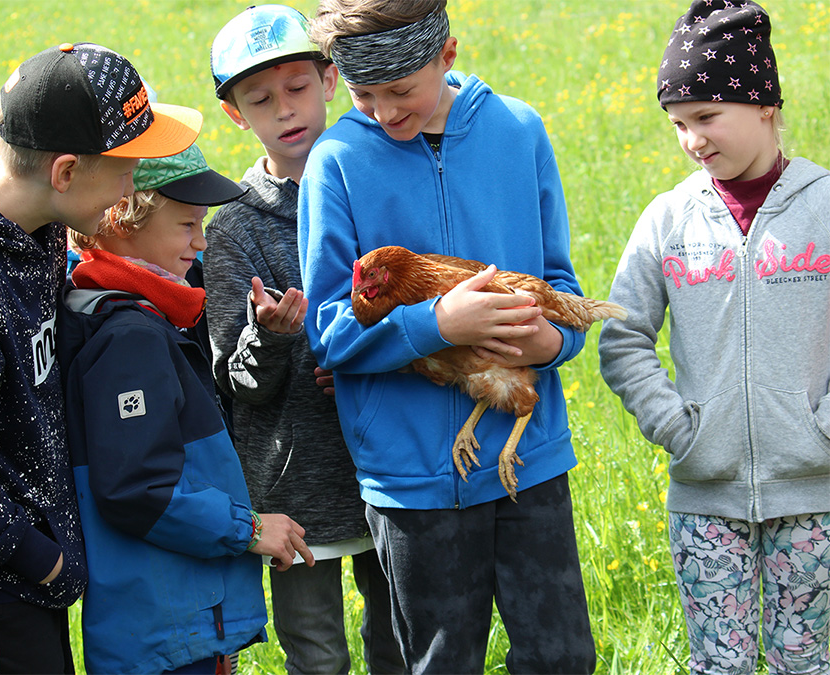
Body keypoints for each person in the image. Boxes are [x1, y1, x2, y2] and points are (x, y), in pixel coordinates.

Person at [298, 1, 597, 672]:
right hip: (412, 480)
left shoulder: (518, 131)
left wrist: (551, 345)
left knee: (563, 656)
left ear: (448, 55)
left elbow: (559, 283)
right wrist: (437, 324)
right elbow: (329, 332)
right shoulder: (337, 161)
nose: (381, 110)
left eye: (400, 90)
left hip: (531, 461)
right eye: (362, 92)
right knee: (438, 660)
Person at [0, 42, 202, 675]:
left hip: (31, 578)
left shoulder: (39, 228)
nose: (135, 182)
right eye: (128, 165)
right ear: (66, 173)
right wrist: (41, 559)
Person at [598, 1, 830, 672]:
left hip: (815, 494)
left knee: (804, 661)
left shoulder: (822, 208)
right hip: (705, 497)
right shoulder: (669, 219)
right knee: (719, 664)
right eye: (678, 123)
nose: (692, 139)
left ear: (764, 105)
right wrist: (679, 426)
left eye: (706, 117)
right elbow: (623, 334)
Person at [58, 144, 315, 675]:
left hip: (177, 620)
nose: (201, 243)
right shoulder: (129, 337)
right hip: (168, 628)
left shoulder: (146, 316)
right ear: (121, 217)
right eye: (186, 225)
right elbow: (136, 489)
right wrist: (247, 529)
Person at [207, 6, 403, 673]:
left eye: (296, 88)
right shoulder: (234, 226)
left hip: (388, 462)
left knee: (400, 640)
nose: (284, 110)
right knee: (316, 654)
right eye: (260, 100)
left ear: (329, 79)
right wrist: (270, 339)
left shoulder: (376, 182)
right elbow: (237, 382)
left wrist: (355, 361)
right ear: (237, 115)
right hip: (292, 488)